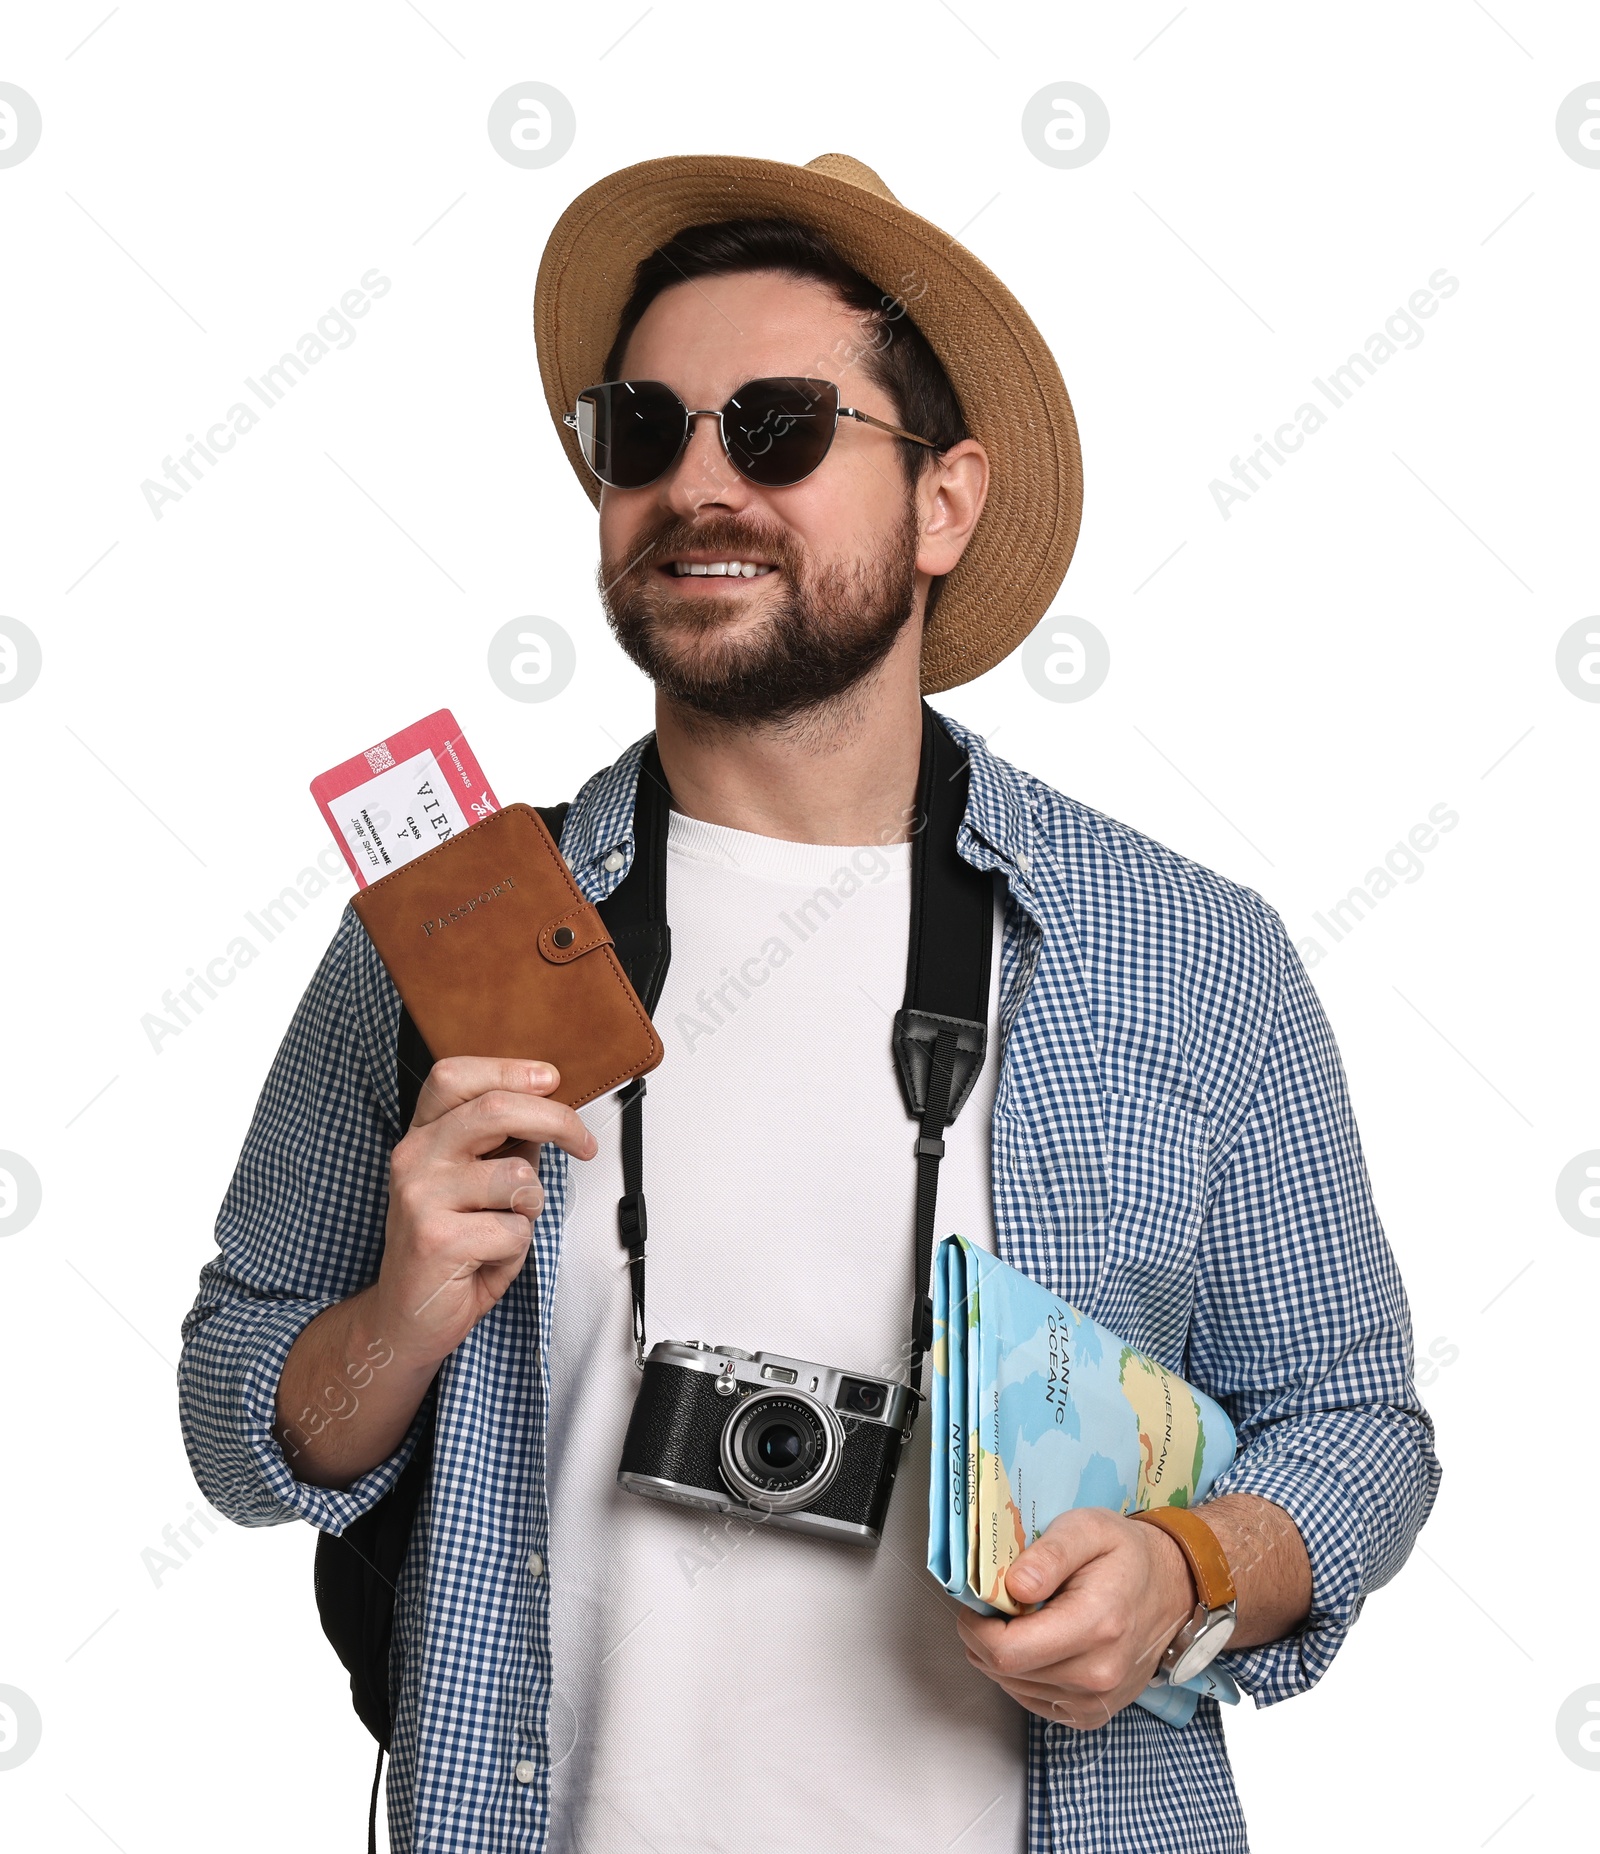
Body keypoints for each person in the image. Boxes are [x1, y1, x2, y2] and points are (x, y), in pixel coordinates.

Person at [178, 152, 1441, 1854]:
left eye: (774, 426)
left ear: (943, 501)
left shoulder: (1185, 955)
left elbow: (1354, 1424)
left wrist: (1189, 1573)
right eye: (644, 430)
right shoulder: (456, 927)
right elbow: (240, 1415)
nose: (700, 484)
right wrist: (400, 1320)